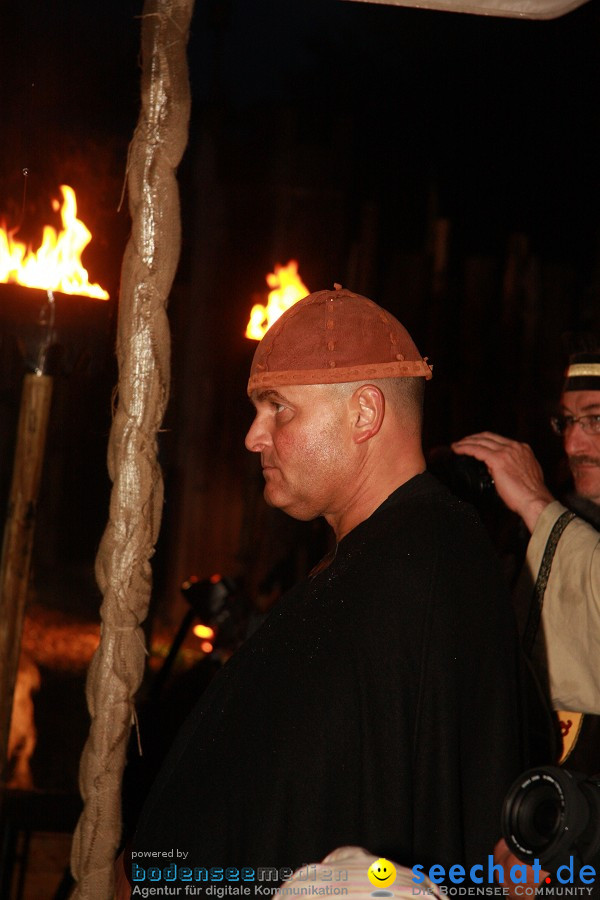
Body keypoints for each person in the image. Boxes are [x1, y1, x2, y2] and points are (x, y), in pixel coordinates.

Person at [124, 287, 550, 897]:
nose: (253, 436)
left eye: (279, 408)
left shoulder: (413, 568)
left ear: (364, 413)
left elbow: (311, 801)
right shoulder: (391, 555)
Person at [452, 349, 600, 717]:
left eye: (596, 420)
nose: (571, 445)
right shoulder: (547, 527)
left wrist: (536, 504)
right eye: (566, 422)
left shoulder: (550, 519)